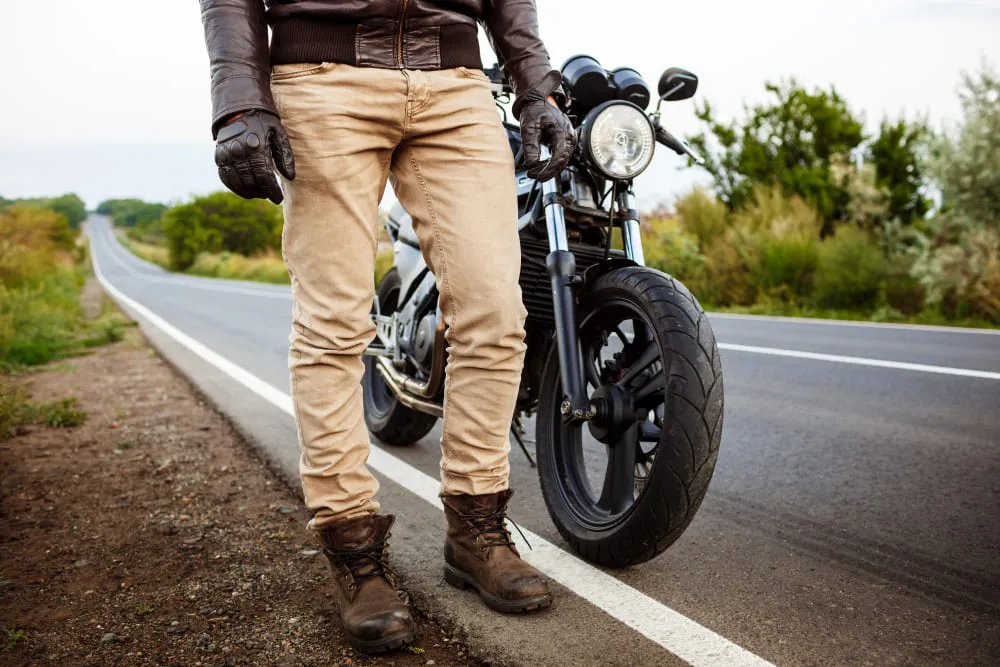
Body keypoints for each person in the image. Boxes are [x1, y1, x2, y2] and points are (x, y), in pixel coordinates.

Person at [199, 0, 576, 654]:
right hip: (320, 78)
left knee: (495, 313)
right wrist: (238, 100)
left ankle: (476, 528)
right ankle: (353, 550)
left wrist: (536, 86)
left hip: (457, 84)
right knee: (333, 322)